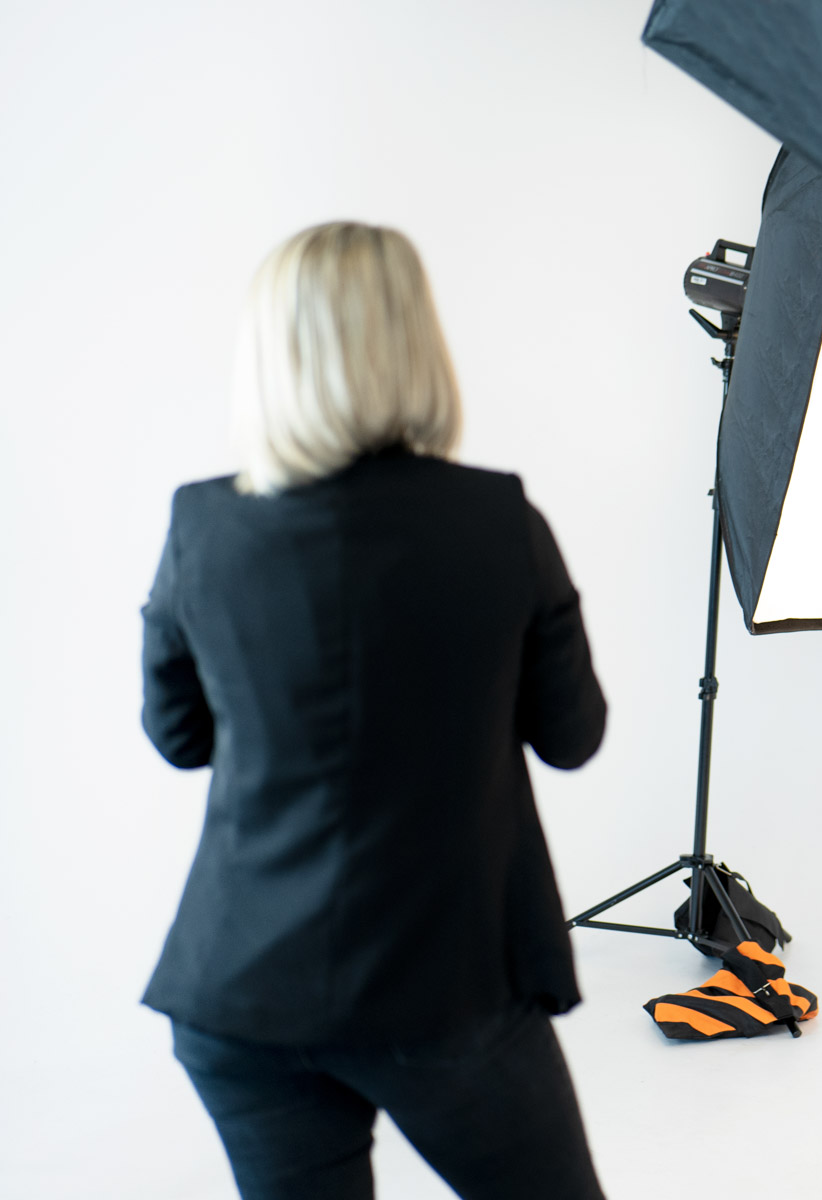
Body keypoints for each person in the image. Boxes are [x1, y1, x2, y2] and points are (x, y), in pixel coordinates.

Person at [140, 222, 609, 1199]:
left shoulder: (203, 527)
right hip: (447, 991)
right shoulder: (499, 521)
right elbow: (573, 738)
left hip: (240, 997)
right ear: (413, 345)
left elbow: (179, 738)